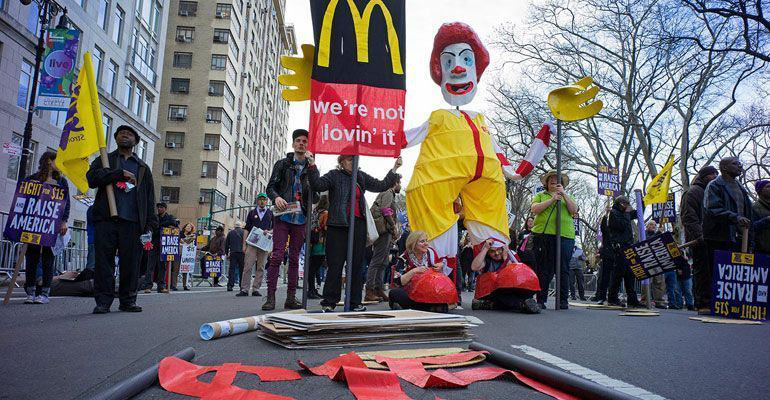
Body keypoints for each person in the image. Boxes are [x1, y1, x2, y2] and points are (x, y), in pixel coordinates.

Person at [308, 153, 401, 312]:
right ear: (342, 161)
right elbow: (317, 184)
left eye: (355, 159)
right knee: (335, 264)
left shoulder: (361, 177)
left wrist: (395, 168)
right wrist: (312, 164)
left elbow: (381, 185)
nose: (353, 162)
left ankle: (354, 301)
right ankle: (330, 301)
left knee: (356, 265)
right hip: (338, 225)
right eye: (350, 159)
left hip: (358, 226)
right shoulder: (334, 175)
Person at [87, 125, 157, 314]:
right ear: (116, 138)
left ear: (135, 142)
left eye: (129, 134)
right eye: (121, 133)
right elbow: (91, 179)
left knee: (131, 264)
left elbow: (150, 198)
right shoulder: (106, 159)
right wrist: (118, 174)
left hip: (133, 223)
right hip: (107, 220)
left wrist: (150, 224)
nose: (125, 135)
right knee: (104, 263)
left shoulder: (143, 168)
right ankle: (103, 301)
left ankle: (128, 300)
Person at [263, 129, 316, 310]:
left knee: (294, 258)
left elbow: (316, 196)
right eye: (298, 141)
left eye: (304, 141)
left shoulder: (311, 168)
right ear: (293, 144)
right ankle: (270, 298)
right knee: (277, 255)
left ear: (308, 145)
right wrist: (276, 197)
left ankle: (291, 298)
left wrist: (313, 167)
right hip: (282, 216)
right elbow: (271, 187)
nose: (301, 143)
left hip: (301, 218)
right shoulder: (282, 164)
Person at [702, 157, 754, 314]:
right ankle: (713, 304)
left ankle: (732, 305)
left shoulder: (740, 187)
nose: (740, 166)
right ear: (724, 167)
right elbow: (712, 209)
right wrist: (735, 217)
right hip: (718, 235)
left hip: (738, 236)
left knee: (733, 273)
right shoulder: (715, 185)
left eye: (740, 163)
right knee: (717, 271)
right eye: (735, 164)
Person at [22, 151, 70, 304]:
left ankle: (44, 293)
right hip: (34, 224)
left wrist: (63, 221)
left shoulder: (61, 182)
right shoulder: (32, 180)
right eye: (57, 160)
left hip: (52, 225)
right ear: (49, 161)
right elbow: (23, 200)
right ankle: (30, 292)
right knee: (32, 257)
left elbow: (66, 204)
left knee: (48, 258)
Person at [530, 170, 578, 310]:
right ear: (546, 183)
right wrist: (552, 200)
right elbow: (535, 209)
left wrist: (563, 194)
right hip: (544, 235)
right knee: (544, 268)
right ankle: (541, 299)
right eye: (550, 178)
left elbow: (573, 210)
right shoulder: (540, 195)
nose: (553, 180)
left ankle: (563, 299)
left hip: (565, 236)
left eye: (557, 179)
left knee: (563, 268)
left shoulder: (568, 196)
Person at [470, 239, 540, 313]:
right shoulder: (486, 260)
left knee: (517, 293)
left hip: (510, 290)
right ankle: (522, 305)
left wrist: (505, 258)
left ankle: (488, 304)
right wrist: (485, 249)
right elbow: (474, 267)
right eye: (492, 251)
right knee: (501, 294)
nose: (496, 253)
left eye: (498, 249)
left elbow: (515, 276)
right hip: (492, 292)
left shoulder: (512, 256)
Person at [366, 175, 402, 302]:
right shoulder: (388, 192)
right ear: (395, 183)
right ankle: (370, 290)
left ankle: (378, 288)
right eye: (399, 183)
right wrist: (393, 226)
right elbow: (385, 209)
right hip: (383, 231)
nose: (400, 186)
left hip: (384, 231)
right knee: (377, 261)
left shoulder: (387, 193)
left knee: (383, 262)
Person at [606, 196, 643, 308]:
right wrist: (627, 213)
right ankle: (612, 298)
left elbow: (638, 213)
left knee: (630, 275)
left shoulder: (625, 213)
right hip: (620, 247)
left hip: (628, 246)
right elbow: (621, 226)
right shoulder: (614, 213)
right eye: (626, 203)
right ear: (620, 203)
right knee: (618, 273)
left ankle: (632, 300)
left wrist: (643, 202)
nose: (628, 205)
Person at [240, 193, 273, 297]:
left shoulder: (270, 213)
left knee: (261, 266)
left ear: (267, 201)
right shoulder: (251, 213)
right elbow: (246, 229)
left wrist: (270, 232)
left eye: (264, 199)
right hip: (252, 243)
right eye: (260, 199)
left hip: (264, 244)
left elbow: (275, 228)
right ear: (257, 201)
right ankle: (244, 289)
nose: (262, 201)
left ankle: (256, 288)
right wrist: (244, 245)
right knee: (248, 266)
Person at [143, 202, 177, 293]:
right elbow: (152, 227)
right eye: (158, 207)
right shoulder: (155, 217)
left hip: (164, 246)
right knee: (150, 266)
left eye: (161, 207)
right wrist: (163, 226)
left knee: (162, 267)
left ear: (165, 208)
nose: (159, 209)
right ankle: (148, 286)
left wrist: (160, 226)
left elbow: (174, 224)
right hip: (154, 244)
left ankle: (161, 286)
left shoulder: (169, 217)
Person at [641, 220, 668, 309]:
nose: (653, 226)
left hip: (658, 261)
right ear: (647, 226)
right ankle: (645, 300)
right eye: (651, 224)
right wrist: (658, 234)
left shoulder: (658, 234)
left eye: (655, 225)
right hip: (648, 261)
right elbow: (648, 242)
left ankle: (659, 301)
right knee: (647, 282)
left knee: (659, 282)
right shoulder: (643, 234)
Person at [308, 195, 329, 299]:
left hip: (313, 242)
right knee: (314, 268)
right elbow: (326, 227)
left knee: (312, 267)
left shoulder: (315, 212)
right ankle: (311, 290)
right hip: (321, 243)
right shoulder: (325, 213)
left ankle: (312, 290)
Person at [225, 222, 246, 292]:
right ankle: (242, 285)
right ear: (240, 226)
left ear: (234, 226)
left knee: (232, 269)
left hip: (233, 252)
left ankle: (230, 285)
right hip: (242, 253)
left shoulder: (230, 233)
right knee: (242, 270)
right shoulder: (244, 232)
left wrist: (226, 253)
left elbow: (226, 244)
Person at [176, 222, 196, 290]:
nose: (188, 228)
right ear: (184, 227)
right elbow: (179, 241)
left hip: (186, 254)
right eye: (187, 226)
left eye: (190, 227)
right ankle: (173, 285)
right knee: (176, 269)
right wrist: (184, 242)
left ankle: (185, 285)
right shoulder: (180, 233)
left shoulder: (192, 236)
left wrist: (184, 242)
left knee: (185, 269)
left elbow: (190, 244)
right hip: (179, 252)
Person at [752, 180, 770, 254]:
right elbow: (750, 227)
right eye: (768, 187)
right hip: (760, 252)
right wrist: (766, 220)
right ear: (760, 191)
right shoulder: (753, 207)